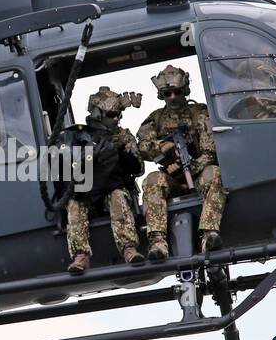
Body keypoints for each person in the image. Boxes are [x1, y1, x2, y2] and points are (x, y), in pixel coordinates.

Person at [136, 65, 226, 259]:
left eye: (177, 92)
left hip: (199, 172)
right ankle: (158, 241)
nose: (173, 97)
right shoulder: (156, 118)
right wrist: (162, 147)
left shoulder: (200, 113)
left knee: (215, 174)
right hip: (172, 177)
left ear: (185, 90)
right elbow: (142, 146)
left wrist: (190, 168)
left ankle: (208, 233)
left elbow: (210, 150)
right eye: (168, 93)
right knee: (152, 181)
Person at [65, 87, 145, 274]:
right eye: (112, 114)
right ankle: (80, 255)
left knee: (118, 196)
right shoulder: (77, 137)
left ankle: (129, 249)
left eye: (119, 114)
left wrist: (119, 153)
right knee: (74, 203)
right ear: (98, 114)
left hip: (113, 191)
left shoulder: (123, 136)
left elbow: (138, 168)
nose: (117, 119)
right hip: (88, 194)